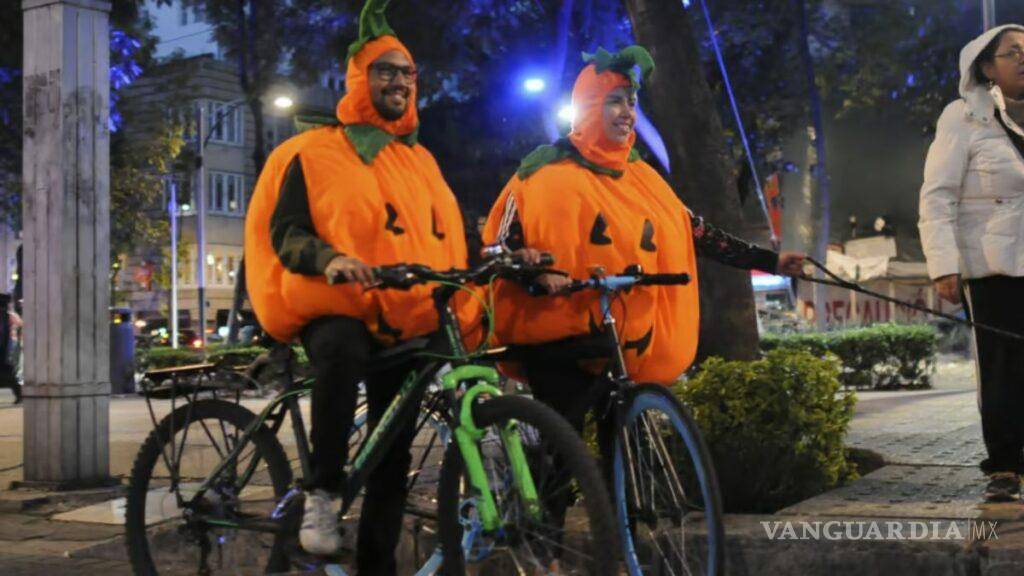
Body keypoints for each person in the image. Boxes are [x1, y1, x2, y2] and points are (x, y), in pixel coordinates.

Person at [483, 45, 806, 473]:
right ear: (587, 107)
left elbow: (697, 233)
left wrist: (769, 260)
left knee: (627, 458)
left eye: (632, 103)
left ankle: (627, 536)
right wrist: (537, 276)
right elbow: (498, 249)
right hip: (559, 341)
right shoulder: (540, 174)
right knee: (565, 461)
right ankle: (546, 536)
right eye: (614, 101)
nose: (626, 112)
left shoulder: (645, 180)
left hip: (620, 339)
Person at [244, 0, 472, 569]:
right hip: (332, 304)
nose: (399, 81)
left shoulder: (420, 162)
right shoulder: (312, 151)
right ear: (359, 79)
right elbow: (287, 231)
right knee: (342, 348)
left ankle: (377, 566)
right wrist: (331, 259)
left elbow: (442, 240)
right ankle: (322, 493)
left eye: (407, 72)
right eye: (385, 70)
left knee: (392, 455)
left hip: (403, 313)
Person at [919, 24, 1024, 502]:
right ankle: (1004, 465)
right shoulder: (963, 117)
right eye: (1012, 52)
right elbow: (938, 196)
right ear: (986, 66)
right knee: (1001, 367)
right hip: (992, 266)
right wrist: (944, 264)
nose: (1023, 58)